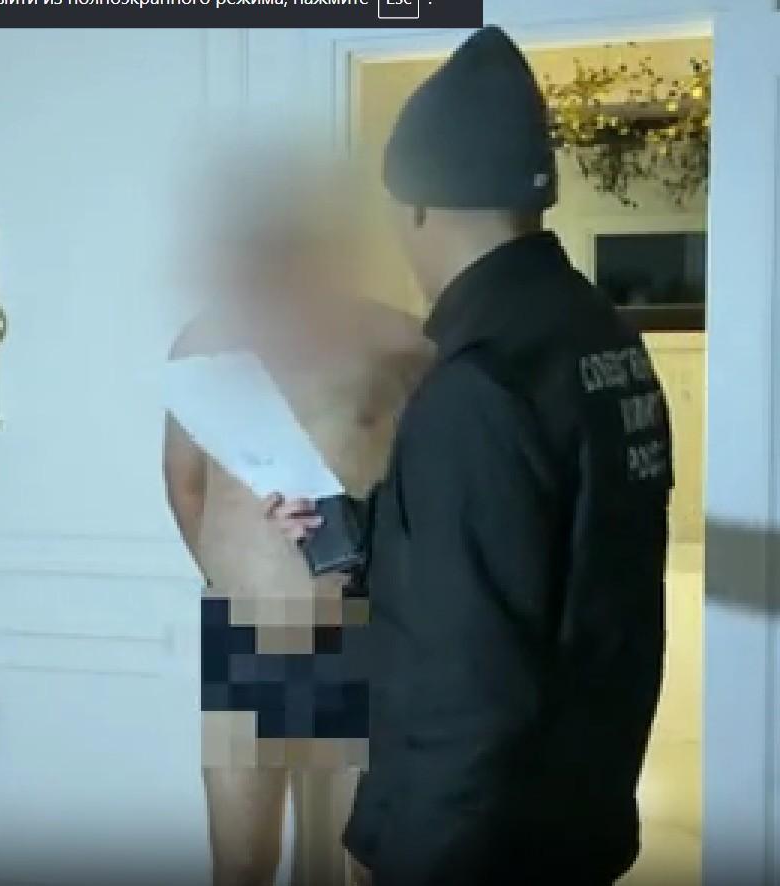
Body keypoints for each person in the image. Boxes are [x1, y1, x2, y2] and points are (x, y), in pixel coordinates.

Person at [268, 26, 672, 886]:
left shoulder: (475, 379)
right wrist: (354, 533)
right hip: (577, 806)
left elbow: (467, 679)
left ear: (415, 204)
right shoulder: (600, 337)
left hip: (476, 841)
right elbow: (533, 554)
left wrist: (407, 850)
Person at [166, 158, 429, 886]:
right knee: (240, 860)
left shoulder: (397, 342)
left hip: (357, 627)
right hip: (247, 632)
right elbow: (184, 482)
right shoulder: (204, 342)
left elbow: (437, 478)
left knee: (354, 859)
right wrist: (230, 581)